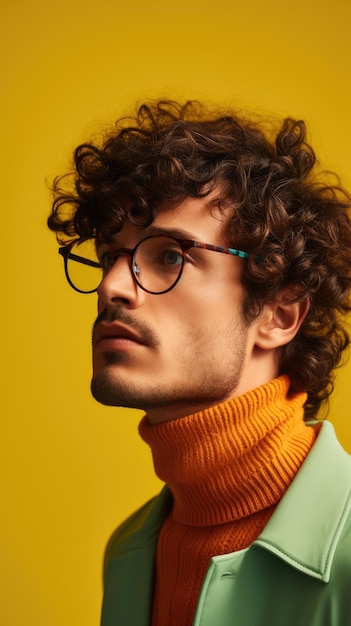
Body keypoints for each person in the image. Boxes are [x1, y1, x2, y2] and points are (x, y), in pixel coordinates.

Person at [48, 100, 351, 626]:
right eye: (108, 256)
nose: (112, 287)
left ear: (279, 314)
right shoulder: (129, 553)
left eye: (169, 255)